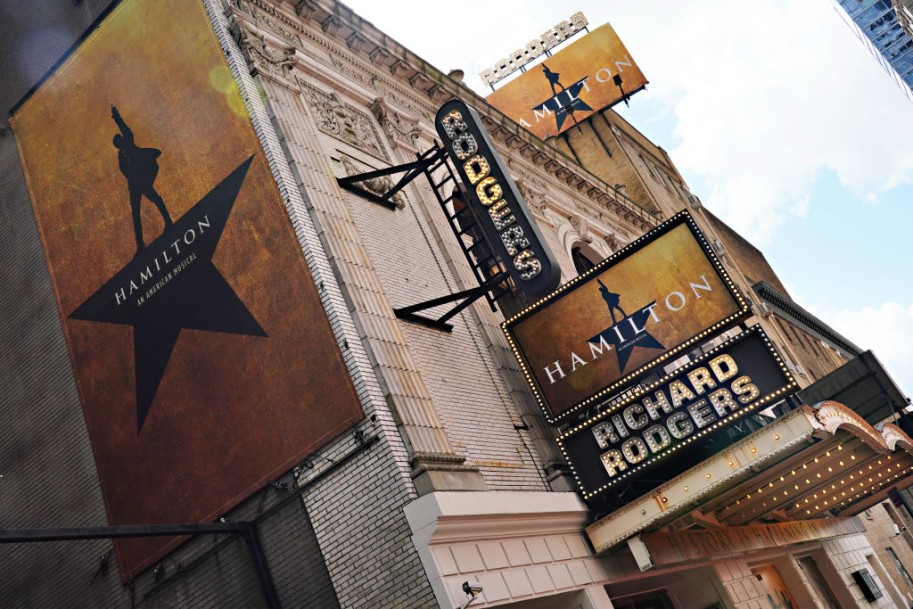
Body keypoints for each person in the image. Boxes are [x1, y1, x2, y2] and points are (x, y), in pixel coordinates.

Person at [111, 106, 172, 255]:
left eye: (120, 138)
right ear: (117, 145)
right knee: (136, 214)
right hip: (135, 185)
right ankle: (140, 245)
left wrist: (117, 118)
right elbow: (125, 172)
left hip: (142, 181)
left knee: (155, 199)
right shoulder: (121, 157)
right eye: (118, 141)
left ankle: (168, 221)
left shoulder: (130, 143)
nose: (120, 141)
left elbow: (125, 129)